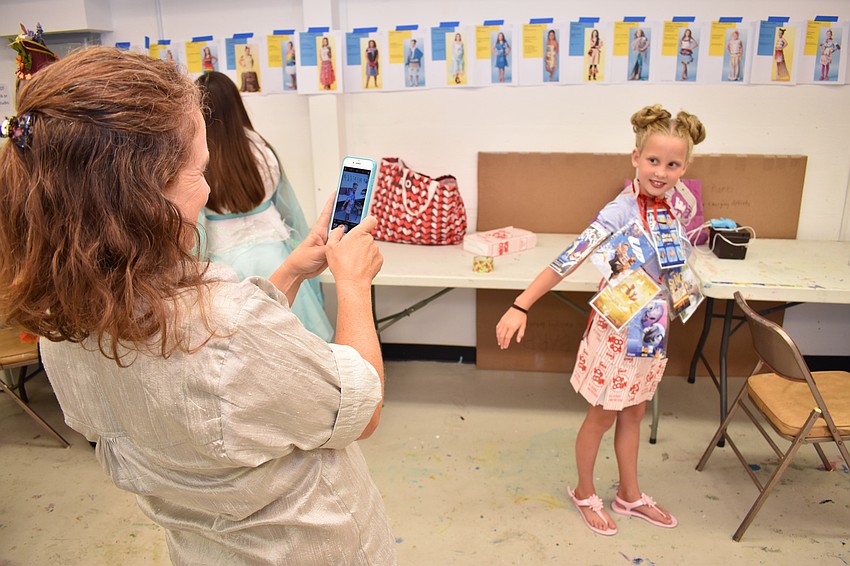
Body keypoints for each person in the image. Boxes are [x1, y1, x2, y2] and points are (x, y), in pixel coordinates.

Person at [0, 46, 395, 564]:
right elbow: (360, 407)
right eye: (200, 171)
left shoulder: (63, 325)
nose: (209, 191)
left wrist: (292, 270)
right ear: (145, 196)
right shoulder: (229, 327)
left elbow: (228, 359)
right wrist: (353, 283)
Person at [496, 104, 706, 536]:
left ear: (684, 167)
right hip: (615, 333)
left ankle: (629, 495)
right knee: (603, 416)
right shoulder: (621, 210)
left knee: (634, 414)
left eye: (672, 164)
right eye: (653, 160)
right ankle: (585, 490)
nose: (661, 172)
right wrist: (522, 304)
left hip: (652, 330)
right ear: (635, 157)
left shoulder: (674, 209)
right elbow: (568, 259)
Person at [196, 71, 334, 341]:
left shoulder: (200, 157)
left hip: (226, 266)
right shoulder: (262, 149)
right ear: (237, 104)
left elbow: (196, 228)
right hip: (276, 257)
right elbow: (289, 210)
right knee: (298, 339)